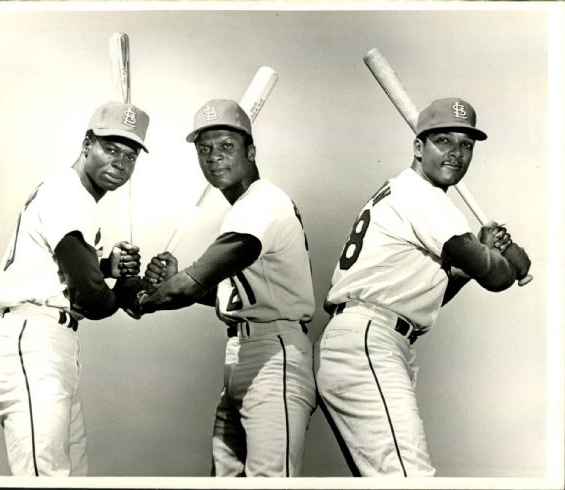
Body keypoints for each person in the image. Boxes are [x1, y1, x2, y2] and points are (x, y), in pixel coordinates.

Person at [314, 98, 531, 476]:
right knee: (411, 478)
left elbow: (433, 293)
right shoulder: (422, 196)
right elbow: (497, 277)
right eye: (443, 141)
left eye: (466, 145)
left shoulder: (405, 193)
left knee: (391, 477)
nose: (455, 153)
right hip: (368, 341)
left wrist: (482, 258)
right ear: (418, 147)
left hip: (368, 338)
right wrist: (507, 257)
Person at [133, 99, 317, 476]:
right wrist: (178, 278)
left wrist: (144, 298)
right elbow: (226, 295)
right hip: (240, 354)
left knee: (270, 483)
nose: (214, 157)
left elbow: (190, 286)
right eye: (205, 149)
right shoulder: (244, 209)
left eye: (226, 146)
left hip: (274, 354)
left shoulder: (264, 203)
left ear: (251, 152)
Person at [0, 101, 150, 476]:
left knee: (68, 478)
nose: (121, 162)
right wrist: (123, 290)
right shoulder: (67, 194)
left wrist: (107, 267)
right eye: (111, 148)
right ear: (87, 143)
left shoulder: (71, 196)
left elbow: (65, 268)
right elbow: (89, 296)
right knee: (45, 478)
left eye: (131, 155)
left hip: (52, 344)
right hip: (33, 339)